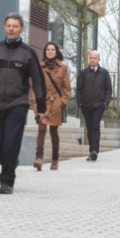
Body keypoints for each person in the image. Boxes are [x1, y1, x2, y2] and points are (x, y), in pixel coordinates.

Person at [0, 12, 46, 195]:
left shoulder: (28, 53)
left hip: (18, 103)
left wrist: (41, 107)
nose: (11, 29)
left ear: (22, 29)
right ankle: (10, 162)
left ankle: (7, 180)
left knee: (11, 142)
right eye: (8, 26)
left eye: (15, 26)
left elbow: (38, 81)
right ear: (4, 28)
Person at [31, 42, 71, 171]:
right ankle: (39, 158)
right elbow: (35, 86)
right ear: (45, 52)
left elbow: (67, 88)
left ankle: (55, 159)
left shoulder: (63, 67)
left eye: (52, 49)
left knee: (54, 131)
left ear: (56, 52)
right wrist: (35, 103)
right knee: (41, 129)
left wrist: (62, 102)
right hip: (42, 102)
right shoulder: (39, 66)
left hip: (56, 104)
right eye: (48, 49)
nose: (50, 51)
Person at [76, 50, 112, 161]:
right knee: (89, 128)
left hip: (99, 105)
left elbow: (109, 89)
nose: (93, 60)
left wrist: (106, 102)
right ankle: (92, 151)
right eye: (91, 57)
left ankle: (95, 150)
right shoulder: (83, 73)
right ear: (89, 58)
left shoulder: (104, 73)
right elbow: (79, 89)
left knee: (95, 126)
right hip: (86, 105)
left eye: (95, 58)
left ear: (99, 59)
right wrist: (79, 102)